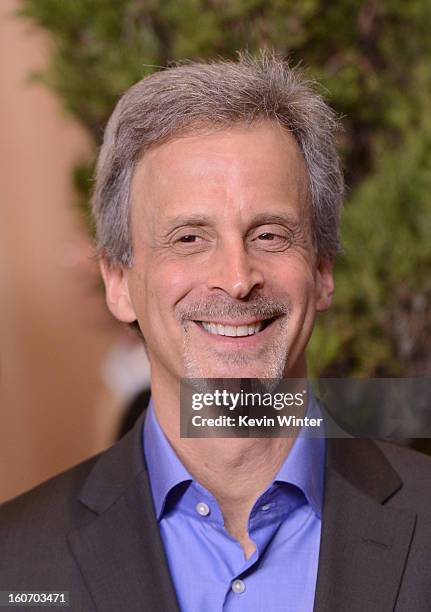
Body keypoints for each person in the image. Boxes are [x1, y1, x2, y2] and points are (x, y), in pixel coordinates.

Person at [1, 52, 431, 612]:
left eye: (271, 234)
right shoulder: (16, 565)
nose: (236, 279)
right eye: (189, 238)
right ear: (117, 281)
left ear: (322, 271)